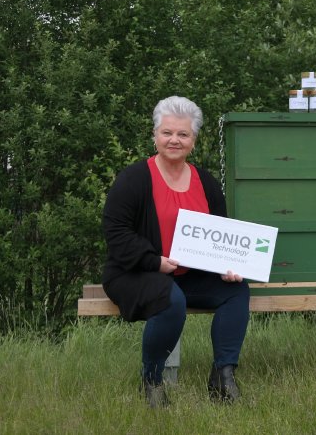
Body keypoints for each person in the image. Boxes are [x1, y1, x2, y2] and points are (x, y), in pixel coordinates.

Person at [101, 96, 250, 408]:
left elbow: (220, 233)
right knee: (171, 299)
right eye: (167, 132)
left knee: (236, 291)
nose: (174, 140)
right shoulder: (133, 179)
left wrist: (227, 264)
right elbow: (116, 233)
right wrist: (154, 261)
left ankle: (223, 376)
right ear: (155, 135)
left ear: (193, 140)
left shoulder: (206, 182)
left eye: (183, 134)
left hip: (189, 274)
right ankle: (153, 381)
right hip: (135, 274)